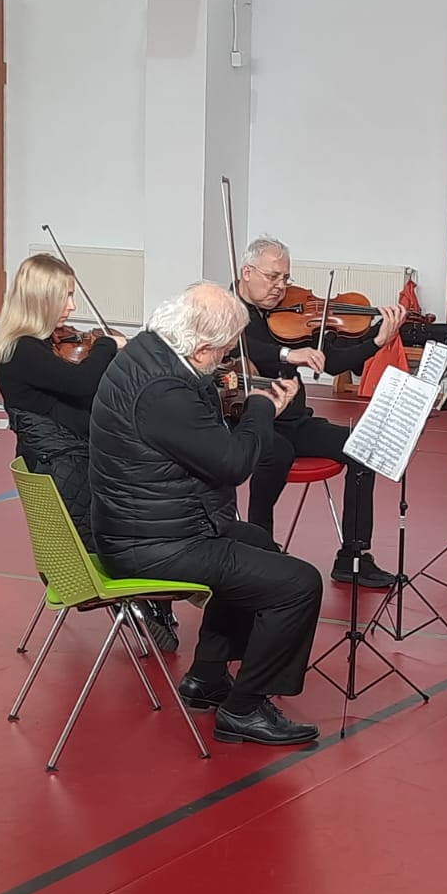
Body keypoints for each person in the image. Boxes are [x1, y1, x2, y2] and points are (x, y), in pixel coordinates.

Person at [88, 281, 323, 748]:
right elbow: (233, 464)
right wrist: (260, 407)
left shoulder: (148, 349)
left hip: (145, 525)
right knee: (299, 583)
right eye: (223, 352)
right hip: (153, 544)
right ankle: (245, 709)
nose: (225, 360)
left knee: (257, 543)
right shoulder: (163, 392)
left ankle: (207, 677)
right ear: (198, 349)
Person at [0, 254, 181, 653]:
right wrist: (107, 344)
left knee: (154, 502)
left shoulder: (41, 346)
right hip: (65, 469)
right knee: (151, 515)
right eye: (65, 297)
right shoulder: (21, 350)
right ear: (40, 299)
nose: (72, 307)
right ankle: (146, 601)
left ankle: (156, 600)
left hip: (72, 457)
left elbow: (79, 403)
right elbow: (83, 385)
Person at [231, 236, 409, 588]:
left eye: (285, 278)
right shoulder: (227, 309)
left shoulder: (291, 312)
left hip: (294, 419)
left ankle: (354, 557)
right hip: (252, 421)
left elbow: (331, 362)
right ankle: (259, 547)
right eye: (272, 277)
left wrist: (377, 340)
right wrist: (287, 354)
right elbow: (246, 346)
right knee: (276, 454)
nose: (280, 286)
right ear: (247, 272)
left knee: (362, 447)